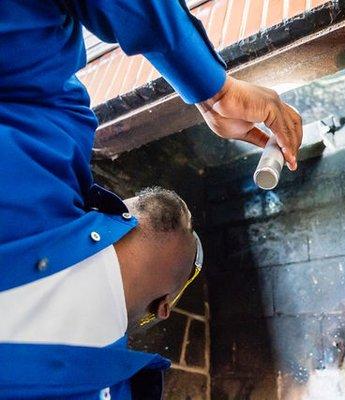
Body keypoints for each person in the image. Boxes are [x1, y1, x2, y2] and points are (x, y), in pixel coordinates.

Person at [0, 0, 302, 399]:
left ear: (164, 306)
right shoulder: (53, 133)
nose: (191, 224)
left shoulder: (45, 139)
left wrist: (214, 89)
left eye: (196, 251)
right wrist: (213, 88)